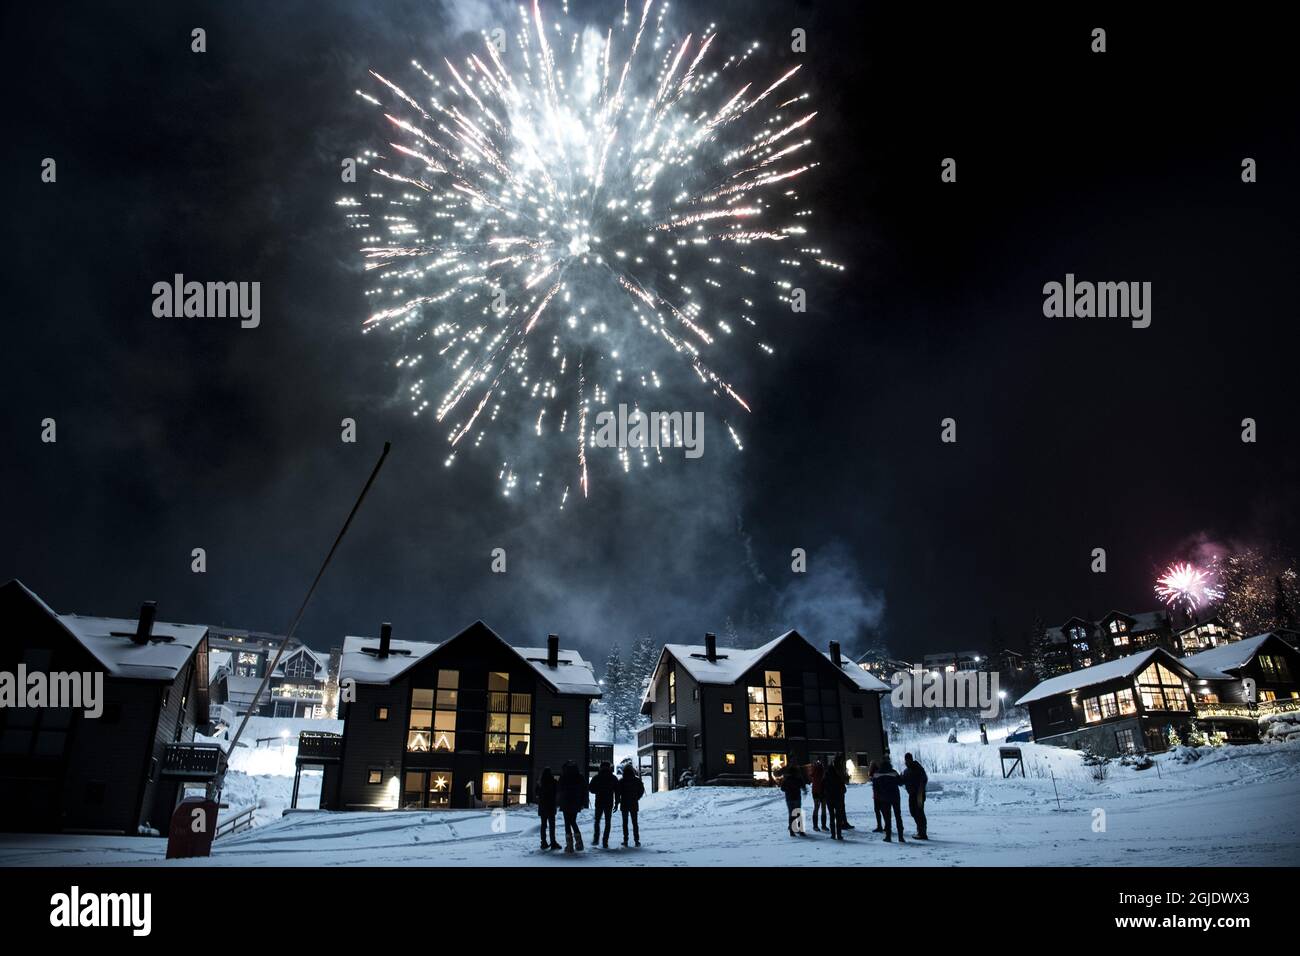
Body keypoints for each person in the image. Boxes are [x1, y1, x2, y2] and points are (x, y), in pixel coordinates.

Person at [870, 754, 905, 843]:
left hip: (883, 798)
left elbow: (875, 787)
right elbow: (900, 782)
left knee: (887, 817)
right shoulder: (894, 772)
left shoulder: (877, 774)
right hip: (895, 797)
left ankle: (888, 836)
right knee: (898, 816)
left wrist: (877, 796)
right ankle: (900, 837)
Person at [557, 760, 588, 852]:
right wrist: (583, 802)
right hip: (576, 802)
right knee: (573, 821)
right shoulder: (580, 776)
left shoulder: (563, 777)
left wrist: (559, 801)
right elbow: (584, 790)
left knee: (567, 822)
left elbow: (559, 789)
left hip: (565, 802)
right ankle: (579, 843)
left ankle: (569, 845)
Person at [588, 760, 618, 848]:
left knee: (597, 821)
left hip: (599, 802)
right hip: (609, 802)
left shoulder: (597, 777)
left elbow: (591, 789)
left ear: (600, 767)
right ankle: (605, 841)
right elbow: (617, 791)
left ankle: (596, 839)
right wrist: (617, 803)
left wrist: (598, 790)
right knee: (607, 822)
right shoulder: (613, 778)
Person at [900, 752, 929, 839]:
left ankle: (922, 833)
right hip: (912, 795)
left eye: (908, 760)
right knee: (913, 812)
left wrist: (920, 790)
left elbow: (924, 779)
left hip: (919, 795)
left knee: (919, 813)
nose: (906, 762)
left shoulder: (918, 768)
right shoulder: (906, 771)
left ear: (911, 760)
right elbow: (902, 781)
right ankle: (920, 831)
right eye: (906, 760)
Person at [617, 762, 645, 846]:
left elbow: (618, 792)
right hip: (634, 803)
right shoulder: (637, 780)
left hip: (624, 803)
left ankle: (625, 840)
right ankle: (636, 840)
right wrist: (637, 797)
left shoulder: (621, 781)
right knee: (635, 823)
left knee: (625, 823)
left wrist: (618, 800)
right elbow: (641, 790)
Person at [779, 762, 807, 836]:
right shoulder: (798, 778)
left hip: (789, 798)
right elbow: (803, 786)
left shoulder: (786, 779)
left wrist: (788, 789)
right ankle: (800, 830)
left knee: (791, 814)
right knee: (798, 813)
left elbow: (782, 788)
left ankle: (792, 830)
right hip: (797, 797)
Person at [822, 756, 847, 840]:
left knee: (831, 816)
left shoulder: (825, 778)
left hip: (829, 799)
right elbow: (843, 789)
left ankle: (833, 834)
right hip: (838, 799)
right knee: (838, 817)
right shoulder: (838, 778)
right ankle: (839, 834)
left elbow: (822, 788)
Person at [536, 766, 559, 850]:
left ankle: (543, 842)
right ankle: (553, 843)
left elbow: (537, 794)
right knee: (552, 826)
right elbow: (557, 791)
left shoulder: (540, 783)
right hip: (551, 807)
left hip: (542, 807)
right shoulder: (553, 782)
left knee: (543, 825)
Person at [809, 758, 828, 832]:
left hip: (817, 791)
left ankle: (817, 826)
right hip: (820, 792)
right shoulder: (822, 771)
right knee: (821, 808)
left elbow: (812, 776)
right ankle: (821, 825)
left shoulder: (815, 770)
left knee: (818, 808)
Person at [867, 760, 884, 832]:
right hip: (881, 794)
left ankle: (879, 826)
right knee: (882, 811)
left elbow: (872, 779)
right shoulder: (879, 772)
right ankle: (885, 825)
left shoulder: (874, 774)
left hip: (877, 795)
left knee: (878, 810)